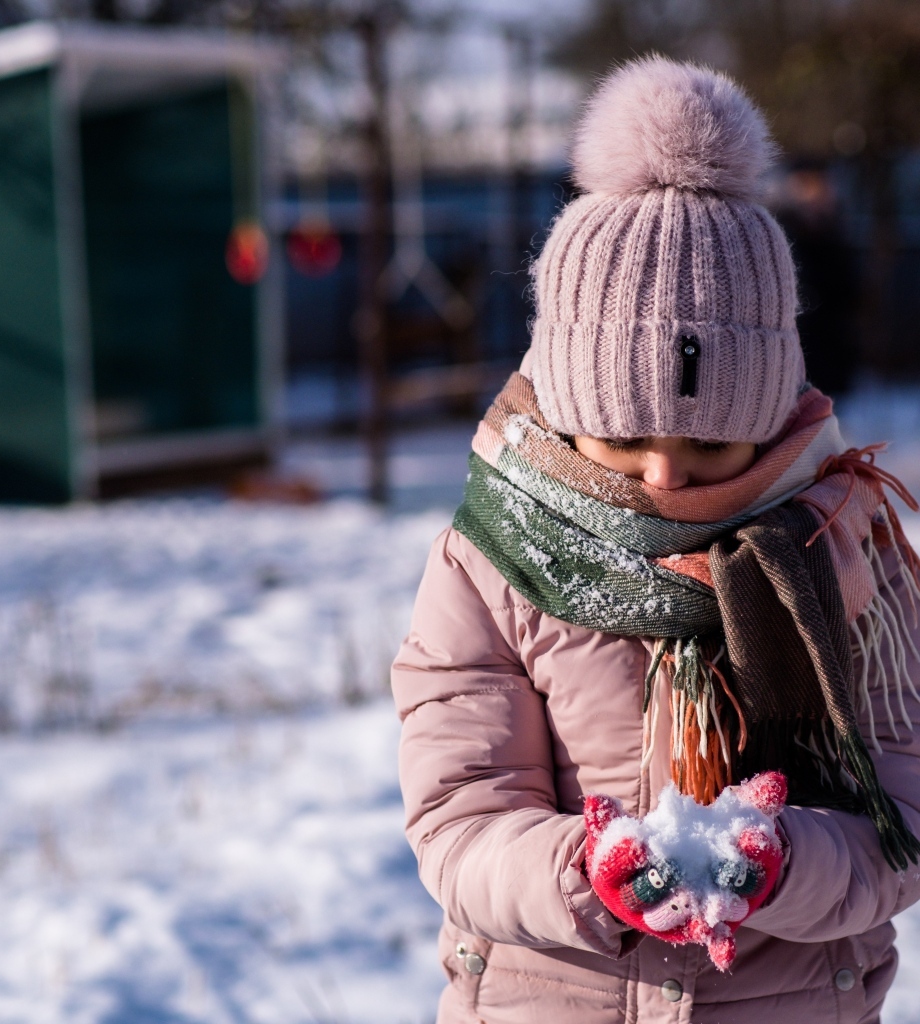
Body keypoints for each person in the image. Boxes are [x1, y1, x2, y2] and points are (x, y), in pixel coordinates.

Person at [392, 57, 920, 1024]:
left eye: (709, 443)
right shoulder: (491, 561)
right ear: (564, 404)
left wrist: (785, 864)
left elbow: (902, 819)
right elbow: (459, 815)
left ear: (767, 420)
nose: (665, 477)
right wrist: (581, 875)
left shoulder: (848, 545)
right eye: (624, 440)